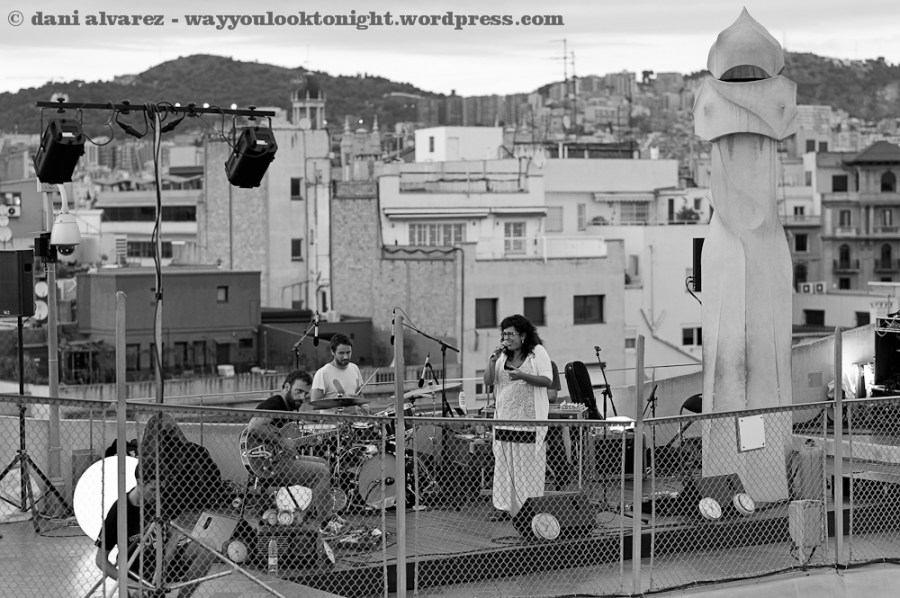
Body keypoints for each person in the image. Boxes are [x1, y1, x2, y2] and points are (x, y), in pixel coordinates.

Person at [249, 369, 347, 536]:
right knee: (321, 473)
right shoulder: (275, 404)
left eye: (305, 394)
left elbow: (287, 440)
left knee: (323, 463)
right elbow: (255, 427)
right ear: (287, 387)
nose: (302, 397)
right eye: (298, 391)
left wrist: (307, 440)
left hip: (278, 459)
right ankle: (326, 522)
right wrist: (280, 441)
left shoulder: (286, 408)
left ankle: (304, 514)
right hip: (269, 465)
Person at [94, 464, 214, 598]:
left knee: (207, 547)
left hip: (164, 560)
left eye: (161, 489)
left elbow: (174, 533)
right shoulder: (119, 511)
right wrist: (130, 584)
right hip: (137, 569)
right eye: (153, 490)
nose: (157, 495)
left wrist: (163, 565)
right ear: (140, 483)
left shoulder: (162, 499)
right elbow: (100, 560)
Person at [484, 314, 553, 522]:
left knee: (527, 467)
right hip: (504, 419)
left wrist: (523, 376)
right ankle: (503, 507)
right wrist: (492, 361)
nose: (506, 338)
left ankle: (528, 508)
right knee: (504, 467)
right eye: (504, 334)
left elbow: (547, 380)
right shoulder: (502, 357)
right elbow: (489, 381)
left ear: (522, 335)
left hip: (529, 421)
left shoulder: (537, 352)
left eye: (510, 334)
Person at [310, 333, 364, 403]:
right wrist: (342, 399)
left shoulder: (354, 368)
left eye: (348, 352)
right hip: (334, 410)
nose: (345, 357)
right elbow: (314, 402)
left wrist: (363, 404)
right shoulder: (322, 373)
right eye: (341, 353)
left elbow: (359, 394)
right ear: (333, 352)